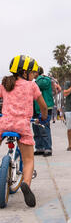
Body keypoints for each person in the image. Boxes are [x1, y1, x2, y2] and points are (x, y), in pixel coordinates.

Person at [0, 55, 48, 207]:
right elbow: (43, 106)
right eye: (33, 73)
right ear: (25, 72)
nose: (34, 76)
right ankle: (26, 183)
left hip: (4, 123)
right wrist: (43, 117)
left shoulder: (5, 84)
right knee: (28, 160)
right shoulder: (32, 86)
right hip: (22, 125)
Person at [32, 66, 55, 156]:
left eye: (33, 72)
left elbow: (36, 86)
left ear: (37, 72)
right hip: (36, 108)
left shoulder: (43, 79)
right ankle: (40, 147)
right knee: (36, 129)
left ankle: (47, 148)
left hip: (44, 108)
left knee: (44, 129)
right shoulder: (36, 81)